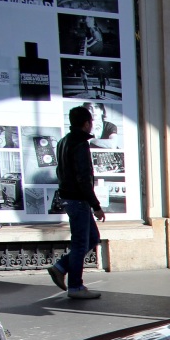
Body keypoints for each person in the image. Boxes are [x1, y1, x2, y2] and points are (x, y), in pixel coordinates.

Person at [46, 105, 104, 300]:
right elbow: (83, 177)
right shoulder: (79, 144)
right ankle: (75, 286)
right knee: (81, 242)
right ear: (87, 123)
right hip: (78, 200)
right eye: (91, 122)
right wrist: (96, 205)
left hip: (71, 198)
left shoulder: (64, 141)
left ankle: (61, 267)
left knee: (93, 238)